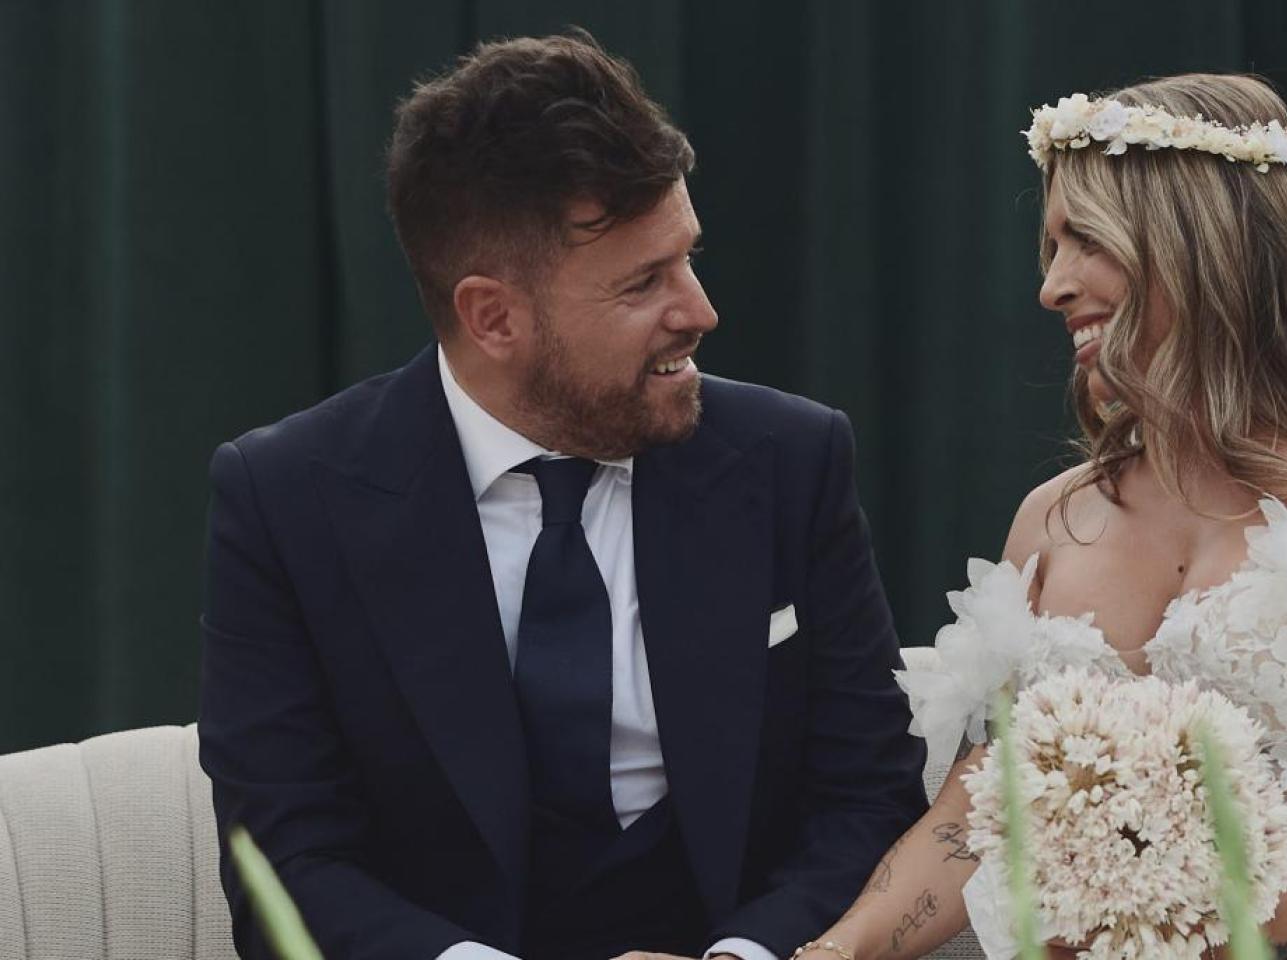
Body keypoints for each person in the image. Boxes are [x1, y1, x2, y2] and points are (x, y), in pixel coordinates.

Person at [802, 75, 1287, 960]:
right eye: (1048, 246)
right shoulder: (1052, 519)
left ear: (1203, 248)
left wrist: (1189, 939)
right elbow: (979, 814)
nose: (1052, 287)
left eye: (1084, 240)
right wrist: (835, 951)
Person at [197, 29, 925, 960]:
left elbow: (867, 795)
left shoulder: (791, 458)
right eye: (642, 283)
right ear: (492, 316)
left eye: (688, 257)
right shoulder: (287, 498)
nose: (700, 310)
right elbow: (287, 861)